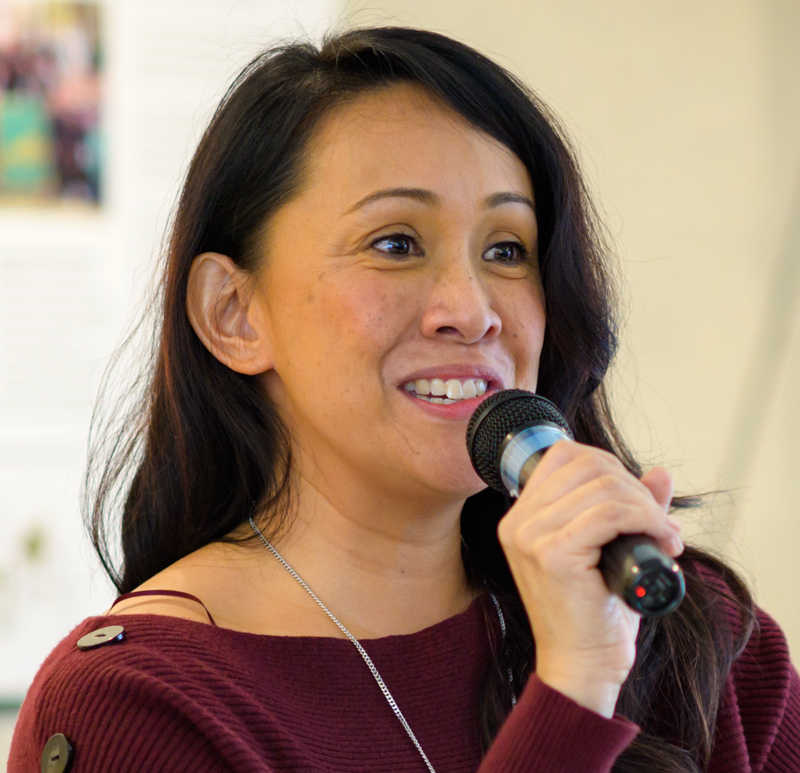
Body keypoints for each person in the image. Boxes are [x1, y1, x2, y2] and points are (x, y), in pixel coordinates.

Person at [8, 26, 800, 773]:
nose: (473, 309)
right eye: (396, 244)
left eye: (507, 249)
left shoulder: (687, 635)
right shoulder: (135, 705)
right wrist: (573, 694)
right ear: (234, 314)